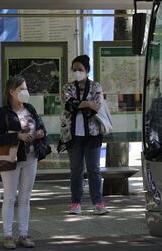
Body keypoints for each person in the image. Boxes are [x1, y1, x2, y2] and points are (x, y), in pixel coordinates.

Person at [0, 75, 47, 249]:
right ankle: (8, 235)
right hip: (12, 158)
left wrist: (39, 132)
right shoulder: (3, 112)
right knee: (9, 197)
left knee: (25, 198)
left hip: (31, 157)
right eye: (21, 89)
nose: (25, 91)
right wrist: (17, 136)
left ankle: (24, 234)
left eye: (26, 88)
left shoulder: (30, 108)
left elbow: (41, 126)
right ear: (11, 92)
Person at [60, 55, 108, 216]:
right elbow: (69, 104)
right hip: (72, 136)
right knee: (76, 170)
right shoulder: (67, 87)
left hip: (93, 134)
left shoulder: (96, 86)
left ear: (87, 70)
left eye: (80, 69)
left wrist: (79, 105)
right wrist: (87, 104)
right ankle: (76, 202)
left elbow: (97, 107)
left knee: (94, 169)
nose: (77, 72)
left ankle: (98, 202)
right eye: (74, 69)